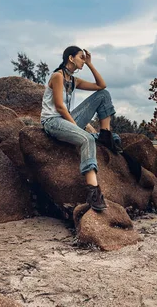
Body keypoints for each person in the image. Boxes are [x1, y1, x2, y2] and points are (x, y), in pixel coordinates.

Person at [40, 46, 122, 212]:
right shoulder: (57, 76)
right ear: (71, 58)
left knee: (103, 95)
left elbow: (101, 85)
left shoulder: (73, 80)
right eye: (81, 57)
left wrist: (90, 64)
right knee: (88, 138)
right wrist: (77, 127)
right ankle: (93, 191)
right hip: (53, 121)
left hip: (67, 118)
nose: (83, 60)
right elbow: (60, 107)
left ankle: (105, 134)